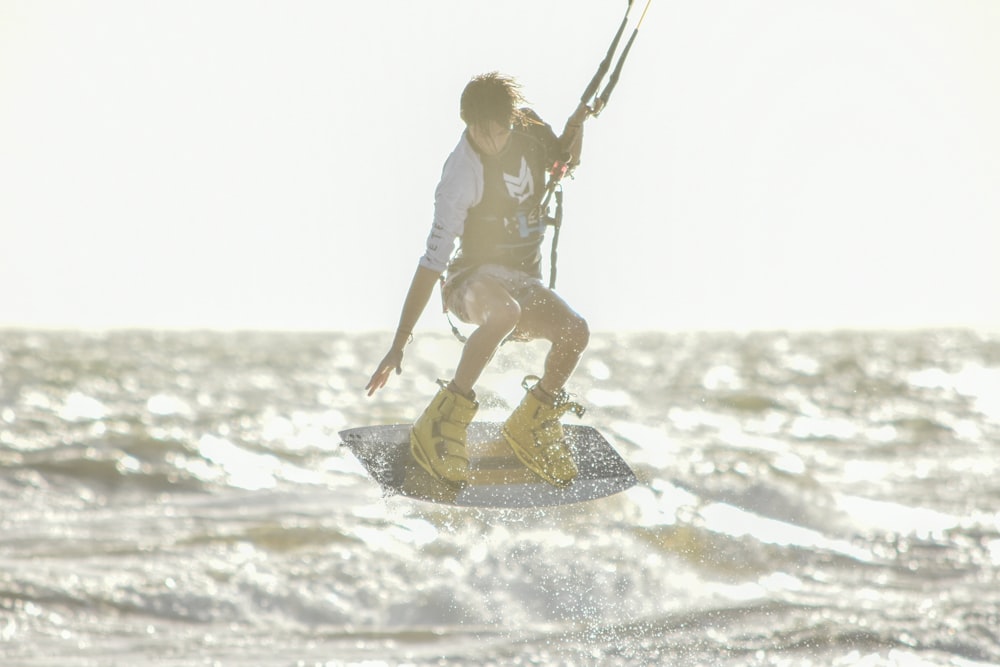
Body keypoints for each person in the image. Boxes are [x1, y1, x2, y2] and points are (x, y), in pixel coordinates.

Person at [365, 72, 589, 489]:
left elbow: (563, 163)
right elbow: (432, 261)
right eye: (479, 132)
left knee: (575, 331)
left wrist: (579, 122)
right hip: (470, 282)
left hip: (524, 279)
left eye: (498, 131)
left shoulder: (531, 131)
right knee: (505, 312)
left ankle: (531, 423)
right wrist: (399, 342)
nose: (490, 141)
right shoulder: (460, 175)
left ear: (512, 121)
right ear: (466, 122)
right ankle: (442, 421)